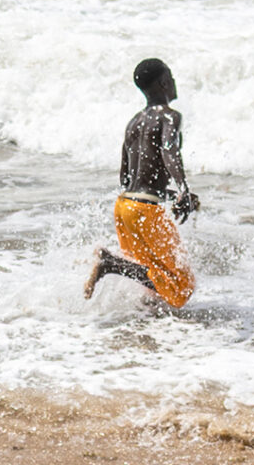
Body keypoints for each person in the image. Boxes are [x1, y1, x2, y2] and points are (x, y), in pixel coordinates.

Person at [84, 57, 199, 307]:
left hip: (124, 208)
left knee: (157, 280)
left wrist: (169, 195)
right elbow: (170, 151)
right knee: (182, 288)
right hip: (144, 211)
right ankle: (110, 264)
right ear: (164, 82)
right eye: (171, 76)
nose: (174, 81)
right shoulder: (169, 117)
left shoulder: (134, 122)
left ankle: (150, 327)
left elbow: (127, 178)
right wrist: (184, 189)